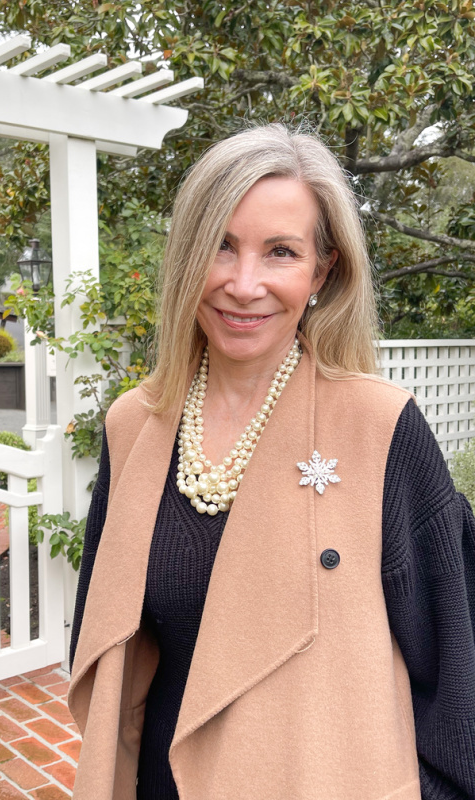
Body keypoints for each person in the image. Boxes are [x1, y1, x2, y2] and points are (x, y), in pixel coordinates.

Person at [66, 124, 475, 800]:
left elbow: (458, 679)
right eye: (221, 246)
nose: (243, 283)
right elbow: (108, 651)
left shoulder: (380, 428)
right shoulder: (132, 426)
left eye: (280, 251)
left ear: (322, 270)